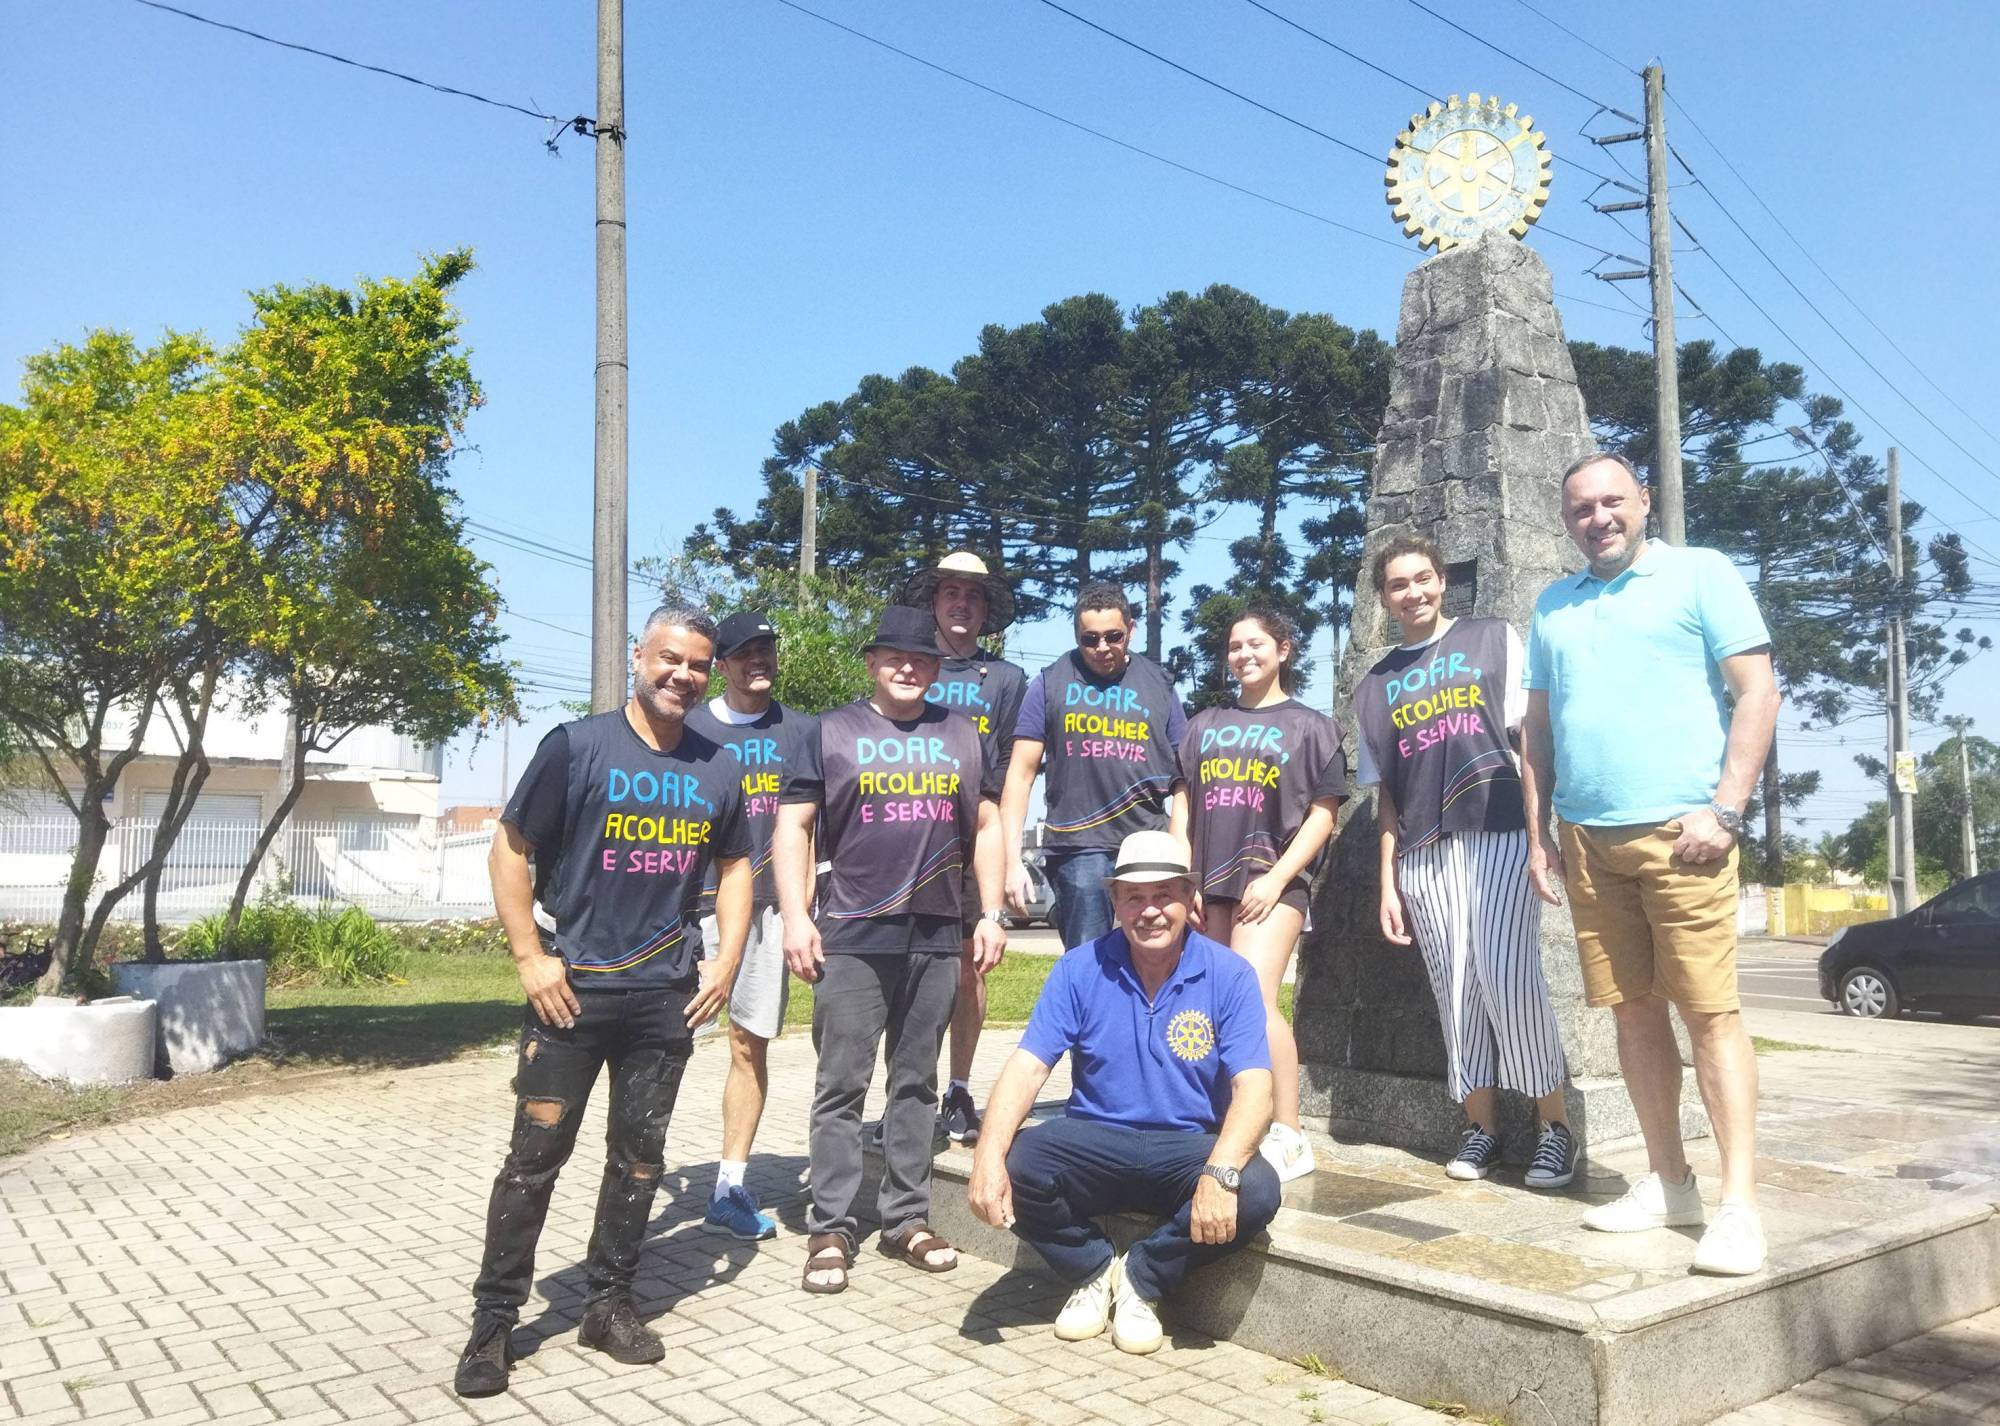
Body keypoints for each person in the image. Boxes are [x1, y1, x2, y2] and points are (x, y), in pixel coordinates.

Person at [455, 605, 751, 1398]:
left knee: (640, 1160)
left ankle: (608, 1306)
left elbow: (738, 867)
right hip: (572, 997)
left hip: (664, 1000)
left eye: (697, 664)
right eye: (669, 659)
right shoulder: (577, 747)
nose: (682, 675)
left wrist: (725, 960)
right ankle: (494, 1325)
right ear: (638, 656)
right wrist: (531, 957)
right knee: (533, 1163)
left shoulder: (718, 768)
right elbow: (510, 848)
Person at [1522, 451, 1781, 1276]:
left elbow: (1758, 691)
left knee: (1711, 1015)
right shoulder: (1553, 604)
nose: (1598, 517)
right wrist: (1539, 837)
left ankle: (1739, 1206)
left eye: (1612, 501)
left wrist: (1728, 810)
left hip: (1685, 837)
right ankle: (1671, 1182)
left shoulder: (1701, 573)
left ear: (1644, 501)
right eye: (1580, 508)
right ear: (1565, 520)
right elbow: (1536, 732)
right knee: (1633, 1016)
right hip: (1587, 841)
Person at [967, 830, 1280, 1356]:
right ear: (1115, 901)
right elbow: (1026, 1068)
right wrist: (986, 1156)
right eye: (1134, 896)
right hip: (1097, 1140)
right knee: (1016, 1161)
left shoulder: (1230, 975)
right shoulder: (1078, 968)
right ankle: (1090, 1269)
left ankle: (1141, 1277)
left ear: (1189, 898)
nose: (1150, 911)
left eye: (1164, 895)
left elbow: (1256, 1090)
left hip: (1187, 1148)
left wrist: (1221, 1172)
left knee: (1259, 1189)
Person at [774, 605, 1008, 1294]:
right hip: (850, 930)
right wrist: (795, 917)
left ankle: (906, 1218)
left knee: (916, 1084)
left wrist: (989, 914)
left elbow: (989, 826)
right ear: (871, 663)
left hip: (936, 931)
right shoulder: (830, 732)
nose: (908, 667)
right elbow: (793, 827)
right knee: (841, 1085)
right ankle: (831, 1226)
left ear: (938, 668)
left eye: (922, 659)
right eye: (893, 657)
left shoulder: (963, 735)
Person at [1353, 537, 1573, 1187]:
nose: (1413, 592)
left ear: (1442, 580)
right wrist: (1388, 881)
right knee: (1455, 992)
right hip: (1423, 852)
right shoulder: (1374, 687)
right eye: (1398, 584)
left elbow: (1527, 741)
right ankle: (1481, 1128)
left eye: (1424, 578)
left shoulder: (1490, 638)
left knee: (1508, 979)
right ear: (1384, 598)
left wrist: (1540, 836)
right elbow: (1386, 793)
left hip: (1499, 830)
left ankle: (1555, 1129)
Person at [1175, 607, 1345, 1183]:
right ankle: (1234, 1119)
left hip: (1271, 882)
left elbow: (1323, 815)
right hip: (1206, 883)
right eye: (1234, 646)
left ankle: (1290, 1132)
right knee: (1214, 1003)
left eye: (1256, 644)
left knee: (1255, 998)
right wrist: (1182, 879)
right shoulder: (1202, 724)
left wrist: (1277, 878)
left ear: (1284, 650)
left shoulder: (1311, 726)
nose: (1243, 654)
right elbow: (1182, 805)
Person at [683, 611, 818, 1241]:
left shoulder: (802, 732)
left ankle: (728, 1186)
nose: (757, 661)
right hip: (686, 908)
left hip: (765, 910)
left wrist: (802, 911)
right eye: (744, 653)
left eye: (766, 649)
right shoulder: (688, 726)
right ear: (722, 664)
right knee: (652, 1044)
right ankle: (631, 1174)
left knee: (747, 1043)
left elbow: (819, 829)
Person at [898, 552, 1027, 1146]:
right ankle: (907, 1094)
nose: (961, 604)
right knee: (907, 973)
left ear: (985, 610)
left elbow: (1004, 773)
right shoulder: (907, 665)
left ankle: (957, 1089)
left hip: (975, 837)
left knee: (971, 972)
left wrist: (1000, 871)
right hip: (909, 839)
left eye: (973, 596)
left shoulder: (1004, 680)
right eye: (950, 592)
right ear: (932, 600)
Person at [1001, 582, 1188, 950]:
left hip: (1147, 841)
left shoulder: (1160, 686)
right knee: (1089, 963)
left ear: (1130, 630)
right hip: (1078, 846)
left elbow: (1185, 780)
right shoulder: (1049, 683)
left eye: (1113, 636)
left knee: (1160, 954)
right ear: (1077, 636)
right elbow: (1020, 776)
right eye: (1090, 639)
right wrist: (1011, 861)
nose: (1102, 648)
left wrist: (1181, 850)